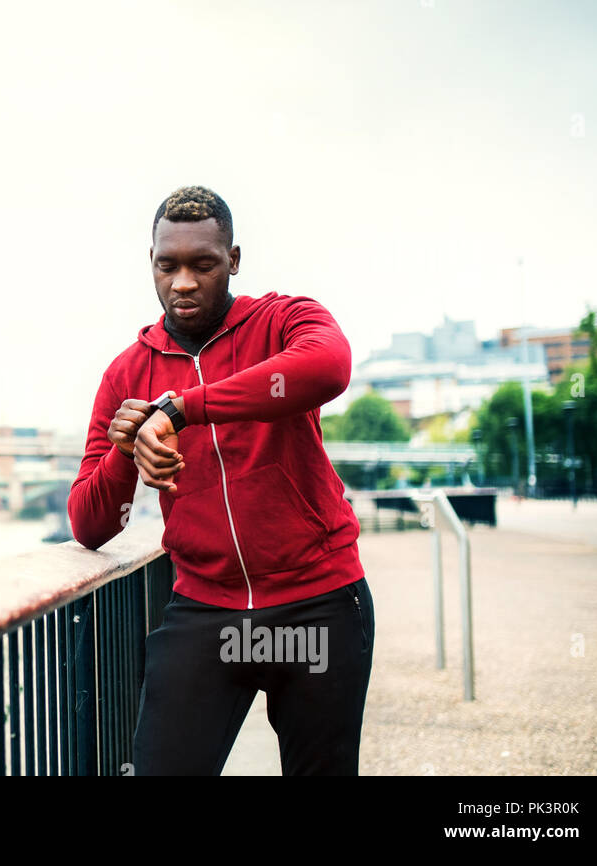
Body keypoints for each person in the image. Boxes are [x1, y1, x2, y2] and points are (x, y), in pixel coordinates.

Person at [67, 185, 375, 775]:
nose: (183, 281)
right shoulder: (126, 374)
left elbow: (329, 366)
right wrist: (124, 452)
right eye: (168, 265)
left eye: (203, 264)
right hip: (207, 612)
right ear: (151, 262)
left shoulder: (285, 320)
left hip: (317, 603)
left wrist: (183, 407)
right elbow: (88, 524)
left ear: (233, 260)